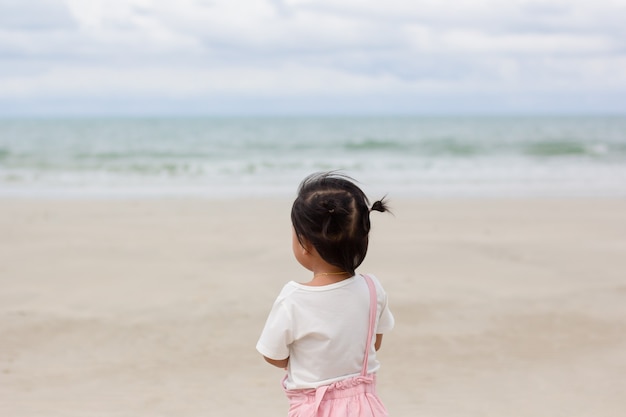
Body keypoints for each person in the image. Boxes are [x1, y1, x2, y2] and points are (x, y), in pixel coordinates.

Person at [256, 172, 395, 417]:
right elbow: (375, 342)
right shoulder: (372, 288)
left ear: (305, 244)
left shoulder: (293, 299)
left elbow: (272, 354)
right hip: (366, 407)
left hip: (315, 408)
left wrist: (306, 361)